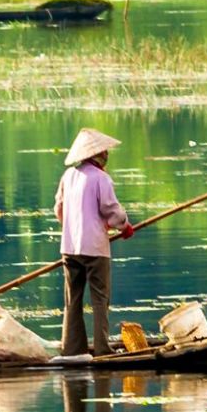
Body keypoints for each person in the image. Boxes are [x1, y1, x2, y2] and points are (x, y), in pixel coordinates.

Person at [54, 128, 134, 359]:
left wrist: (73, 228)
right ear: (98, 154)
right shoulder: (101, 179)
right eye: (105, 151)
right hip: (95, 249)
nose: (107, 154)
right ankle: (101, 348)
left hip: (69, 248)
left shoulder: (68, 176)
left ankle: (71, 349)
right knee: (100, 299)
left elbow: (59, 210)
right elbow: (111, 211)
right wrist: (125, 226)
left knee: (73, 299)